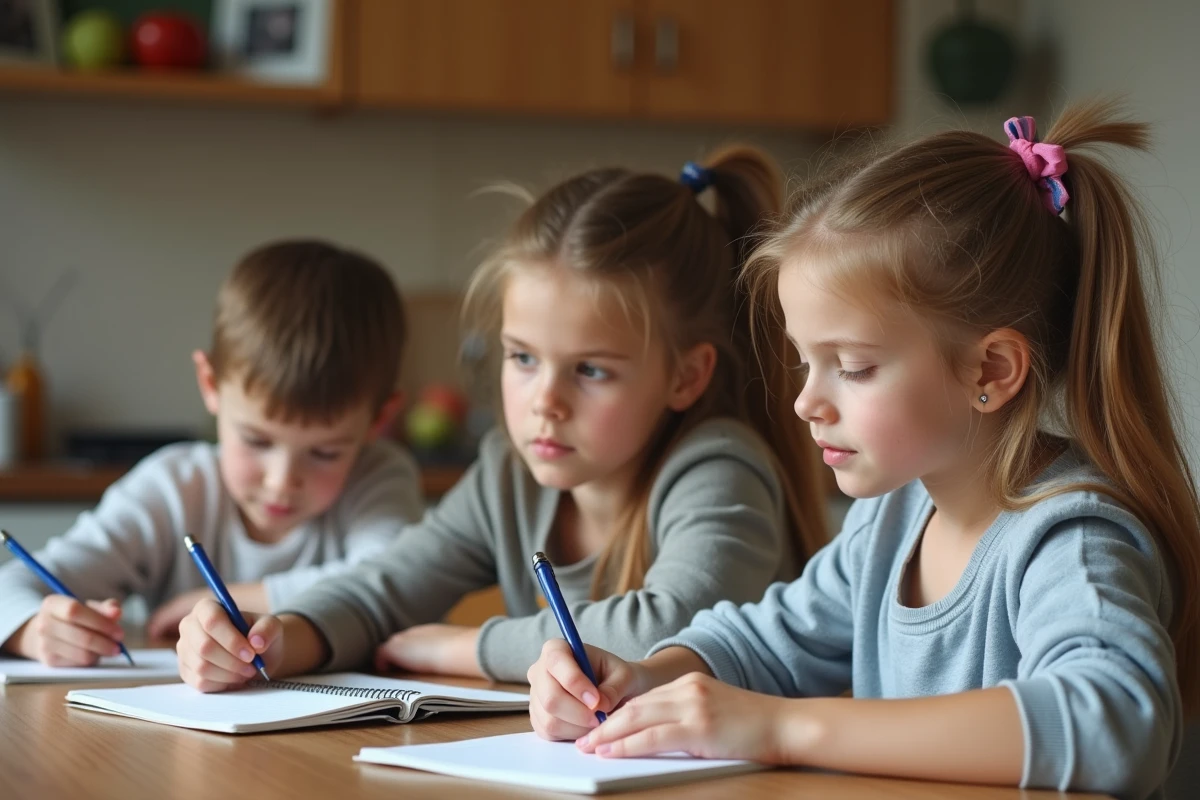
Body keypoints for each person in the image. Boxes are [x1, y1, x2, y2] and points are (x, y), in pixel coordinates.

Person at [528, 102, 1199, 800]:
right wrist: (644, 676)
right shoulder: (896, 517)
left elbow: (1114, 724)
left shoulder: (1070, 538)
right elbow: (770, 643)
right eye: (804, 362)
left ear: (991, 372)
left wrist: (785, 730)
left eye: (851, 366)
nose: (806, 403)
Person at [175, 146, 831, 689]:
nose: (545, 401)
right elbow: (383, 590)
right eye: (522, 358)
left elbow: (667, 629)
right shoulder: (508, 478)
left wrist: (464, 650)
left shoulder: (720, 468)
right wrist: (277, 639)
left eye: (592, 370)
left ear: (686, 377)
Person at [0, 240, 424, 665]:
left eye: (326, 452)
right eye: (257, 441)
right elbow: (13, 585)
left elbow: (394, 582)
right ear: (210, 384)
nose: (281, 481)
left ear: (378, 419)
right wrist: (31, 630)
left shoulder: (380, 478)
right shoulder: (172, 488)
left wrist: (226, 599)